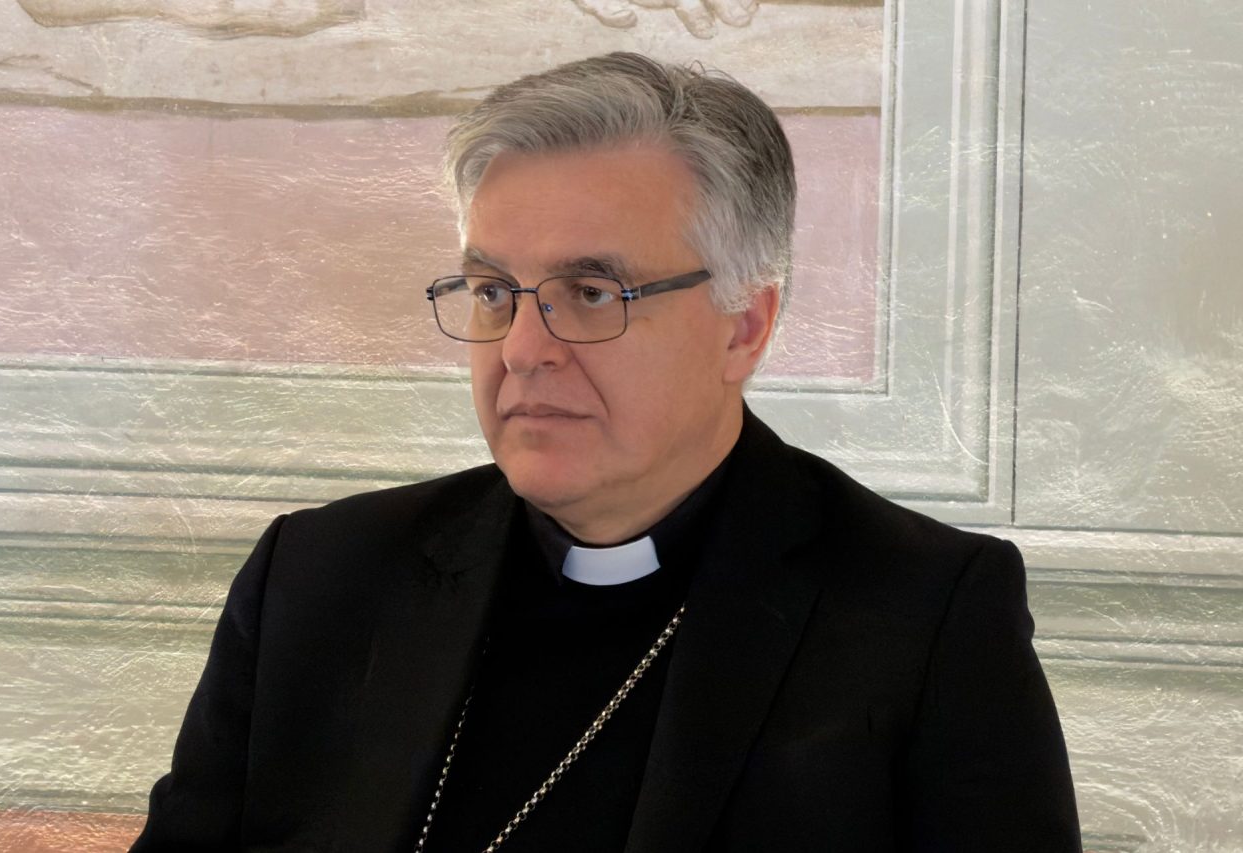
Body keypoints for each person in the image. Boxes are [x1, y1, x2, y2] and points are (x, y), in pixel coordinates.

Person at [132, 52, 1081, 852]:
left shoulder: (923, 617)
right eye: (494, 291)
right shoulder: (318, 581)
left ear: (744, 326)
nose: (521, 349)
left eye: (590, 293)